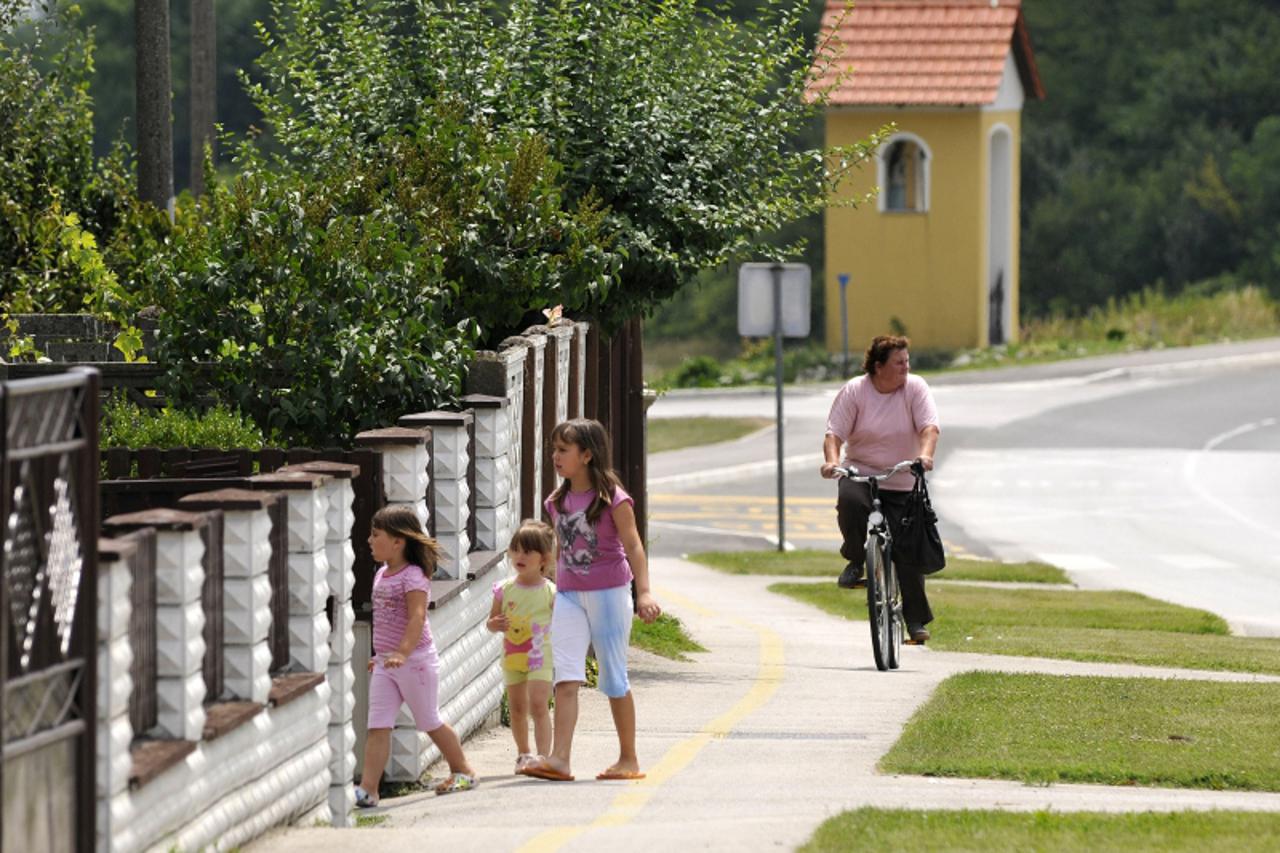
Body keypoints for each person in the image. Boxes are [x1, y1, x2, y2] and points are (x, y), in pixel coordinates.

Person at [520, 418, 662, 783]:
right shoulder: (557, 501)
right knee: (565, 676)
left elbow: (633, 546)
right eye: (554, 449)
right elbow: (561, 552)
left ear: (586, 455)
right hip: (568, 596)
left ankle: (628, 758)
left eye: (563, 450)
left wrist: (643, 591)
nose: (555, 456)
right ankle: (560, 759)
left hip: (610, 595)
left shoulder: (613, 499)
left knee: (614, 678)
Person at [820, 335, 941, 644]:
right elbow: (834, 434)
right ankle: (855, 560)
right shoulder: (855, 391)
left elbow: (929, 427)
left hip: (901, 478)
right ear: (878, 367)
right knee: (849, 500)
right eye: (899, 362)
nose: (906, 367)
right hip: (862, 472)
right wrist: (832, 462)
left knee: (907, 547)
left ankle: (914, 621)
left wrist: (925, 455)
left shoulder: (915, 388)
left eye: (907, 361)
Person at [355, 506, 478, 807]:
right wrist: (380, 655)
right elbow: (385, 620)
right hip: (387, 662)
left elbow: (417, 617)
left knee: (429, 720)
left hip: (416, 661)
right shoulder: (382, 574)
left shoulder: (413, 576)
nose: (369, 540)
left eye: (376, 535)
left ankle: (463, 771)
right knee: (378, 725)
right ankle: (369, 789)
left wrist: (402, 652)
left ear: (398, 542)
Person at [486, 520, 557, 774]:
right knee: (517, 709)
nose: (519, 556)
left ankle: (544, 757)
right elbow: (491, 623)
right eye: (515, 550)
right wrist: (494, 624)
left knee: (538, 704)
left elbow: (562, 623)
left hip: (540, 656)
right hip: (513, 656)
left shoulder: (551, 592)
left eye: (527, 551)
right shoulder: (503, 591)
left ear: (544, 559)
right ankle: (523, 754)